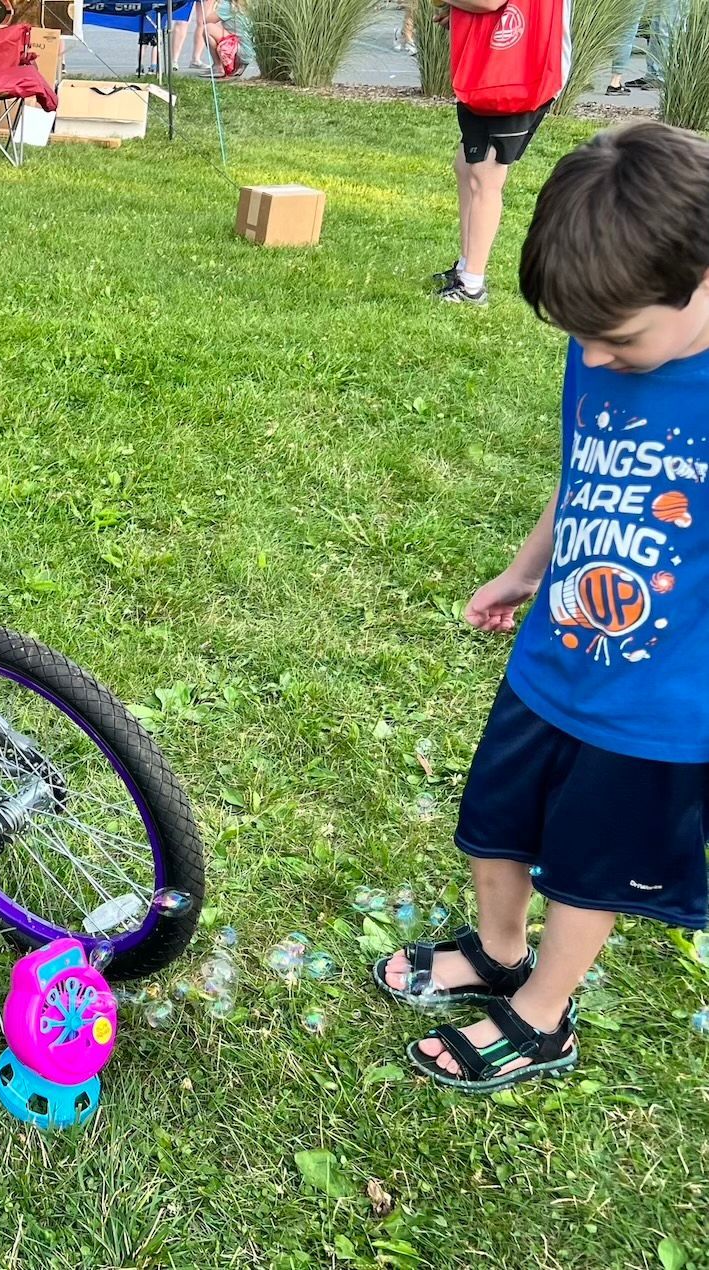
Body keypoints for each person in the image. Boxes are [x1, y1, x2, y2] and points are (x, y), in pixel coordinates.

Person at [377, 122, 709, 1094]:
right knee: (494, 825)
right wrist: (525, 571)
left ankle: (541, 1013)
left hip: (657, 710)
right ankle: (494, 949)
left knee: (586, 871)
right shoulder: (604, 343)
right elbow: (581, 479)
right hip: (553, 657)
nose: (594, 361)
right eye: (578, 338)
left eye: (614, 340)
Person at [432, 0, 566, 306]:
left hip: (520, 72)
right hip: (500, 65)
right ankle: (466, 268)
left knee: (485, 173)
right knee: (467, 164)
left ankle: (472, 286)